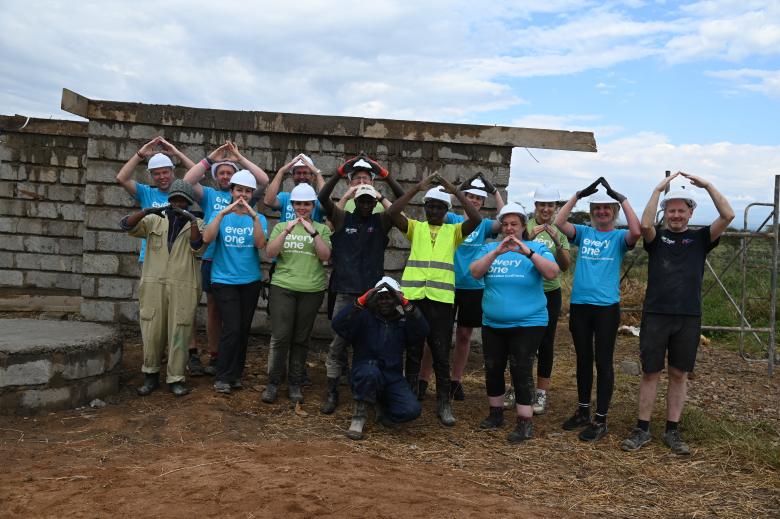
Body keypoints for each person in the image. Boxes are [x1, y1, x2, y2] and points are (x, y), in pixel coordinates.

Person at [621, 172, 733, 455]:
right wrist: (658, 188)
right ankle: (642, 429)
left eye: (681, 210)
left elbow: (728, 214)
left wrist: (707, 185)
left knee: (679, 374)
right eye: (671, 210)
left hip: (688, 316)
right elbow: (645, 224)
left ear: (690, 212)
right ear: (666, 212)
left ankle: (673, 430)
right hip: (656, 314)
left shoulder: (701, 239)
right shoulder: (656, 239)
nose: (676, 215)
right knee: (650, 372)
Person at [387, 173, 482, 426]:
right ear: (425, 207)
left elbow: (477, 218)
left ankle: (443, 403)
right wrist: (417, 187)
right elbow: (393, 212)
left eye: (440, 207)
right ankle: (409, 400)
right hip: (414, 299)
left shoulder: (453, 232)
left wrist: (456, 191)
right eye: (431, 206)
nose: (435, 210)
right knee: (413, 351)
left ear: (446, 210)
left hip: (440, 301)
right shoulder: (415, 228)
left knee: (440, 353)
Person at [554, 177, 641, 442]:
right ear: (592, 213)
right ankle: (583, 410)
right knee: (583, 359)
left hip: (606, 308)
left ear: (613, 213)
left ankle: (601, 419)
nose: (602, 212)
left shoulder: (617, 237)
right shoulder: (584, 233)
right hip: (580, 306)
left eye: (607, 209)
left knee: (603, 362)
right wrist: (578, 195)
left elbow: (636, 232)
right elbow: (559, 223)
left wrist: (622, 198)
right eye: (597, 209)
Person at [316, 154, 402, 414]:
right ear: (355, 199)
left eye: (369, 199)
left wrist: (384, 175)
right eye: (361, 199)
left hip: (373, 295)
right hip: (345, 292)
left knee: (368, 345)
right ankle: (332, 390)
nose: (365, 204)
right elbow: (322, 199)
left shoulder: (381, 221)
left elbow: (401, 200)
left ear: (374, 200)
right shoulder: (343, 219)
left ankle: (363, 389)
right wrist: (340, 171)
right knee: (338, 343)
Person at [470, 203, 559, 443]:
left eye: (515, 225)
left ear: (523, 226)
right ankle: (495, 413)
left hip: (529, 323)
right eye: (506, 224)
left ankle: (524, 422)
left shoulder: (536, 247)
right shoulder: (490, 248)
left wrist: (527, 253)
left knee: (521, 369)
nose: (509, 229)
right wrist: (496, 253)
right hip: (493, 322)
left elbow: (552, 272)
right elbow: (475, 272)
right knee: (493, 368)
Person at [183, 141, 269, 376]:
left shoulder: (253, 210)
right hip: (215, 260)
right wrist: (211, 158)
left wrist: (239, 157)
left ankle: (222, 361)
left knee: (235, 322)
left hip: (241, 266)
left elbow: (263, 181)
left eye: (228, 172)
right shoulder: (209, 195)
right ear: (227, 185)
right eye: (221, 173)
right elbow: (187, 182)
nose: (224, 176)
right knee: (215, 311)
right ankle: (217, 357)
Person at [418, 173, 504, 401]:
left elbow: (504, 220)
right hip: (448, 284)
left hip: (473, 287)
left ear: (483, 203)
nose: (474, 200)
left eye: (478, 198)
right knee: (436, 335)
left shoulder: (485, 226)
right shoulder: (453, 220)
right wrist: (456, 189)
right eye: (470, 196)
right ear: (464, 197)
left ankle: (455, 381)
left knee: (464, 334)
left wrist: (495, 191)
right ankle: (423, 379)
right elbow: (438, 208)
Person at [120, 180, 205, 397]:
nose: (178, 204)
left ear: (188, 203)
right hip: (153, 283)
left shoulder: (198, 224)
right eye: (174, 200)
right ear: (169, 201)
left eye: (182, 201)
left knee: (180, 329)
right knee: (152, 329)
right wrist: (145, 210)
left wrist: (192, 221)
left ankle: (176, 378)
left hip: (183, 285)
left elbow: (198, 246)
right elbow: (126, 225)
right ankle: (150, 375)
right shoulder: (153, 220)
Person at [332, 277, 429, 440]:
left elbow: (423, 331)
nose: (384, 302)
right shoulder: (364, 317)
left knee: (411, 410)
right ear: (373, 299)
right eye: (380, 298)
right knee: (370, 373)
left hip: (392, 376)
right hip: (365, 370)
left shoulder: (403, 321)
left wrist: (405, 303)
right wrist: (362, 299)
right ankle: (359, 417)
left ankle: (381, 409)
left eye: (389, 298)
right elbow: (338, 324)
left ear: (397, 300)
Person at [263, 183, 332, 405]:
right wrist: (286, 231)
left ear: (313, 206)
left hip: (311, 289)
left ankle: (295, 382)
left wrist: (312, 232)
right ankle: (273, 382)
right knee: (281, 336)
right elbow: (270, 252)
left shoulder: (321, 229)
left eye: (307, 204)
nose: (302, 208)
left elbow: (325, 256)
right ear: (292, 205)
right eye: (298, 204)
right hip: (283, 286)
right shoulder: (281, 225)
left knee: (301, 339)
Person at [202, 170, 268, 394]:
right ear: (231, 191)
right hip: (223, 279)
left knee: (243, 329)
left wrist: (255, 217)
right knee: (231, 327)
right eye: (239, 190)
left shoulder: (259, 219)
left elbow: (260, 245)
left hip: (249, 281)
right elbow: (207, 238)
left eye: (248, 191)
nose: (243, 195)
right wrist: (222, 214)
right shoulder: (219, 214)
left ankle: (236, 374)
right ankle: (223, 375)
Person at [526, 186, 571, 415]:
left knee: (545, 342)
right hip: (524, 291)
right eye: (541, 204)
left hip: (549, 293)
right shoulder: (524, 227)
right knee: (521, 341)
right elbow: (512, 251)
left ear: (555, 208)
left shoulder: (559, 230)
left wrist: (557, 240)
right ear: (535, 207)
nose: (545, 209)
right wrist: (528, 237)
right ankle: (519, 387)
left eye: (550, 205)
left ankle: (541, 392)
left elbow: (565, 265)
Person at [263, 153, 326, 223]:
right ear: (292, 176)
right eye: (298, 173)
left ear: (312, 176)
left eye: (305, 173)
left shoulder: (317, 200)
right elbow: (268, 201)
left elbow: (327, 205)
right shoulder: (285, 198)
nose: (302, 177)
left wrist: (318, 173)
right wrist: (281, 171)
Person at [335, 153, 405, 213]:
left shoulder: (382, 205)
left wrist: (384, 173)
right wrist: (345, 197)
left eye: (365, 178)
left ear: (372, 183)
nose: (361, 182)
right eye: (357, 178)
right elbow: (329, 225)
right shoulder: (343, 204)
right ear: (350, 183)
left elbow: (402, 206)